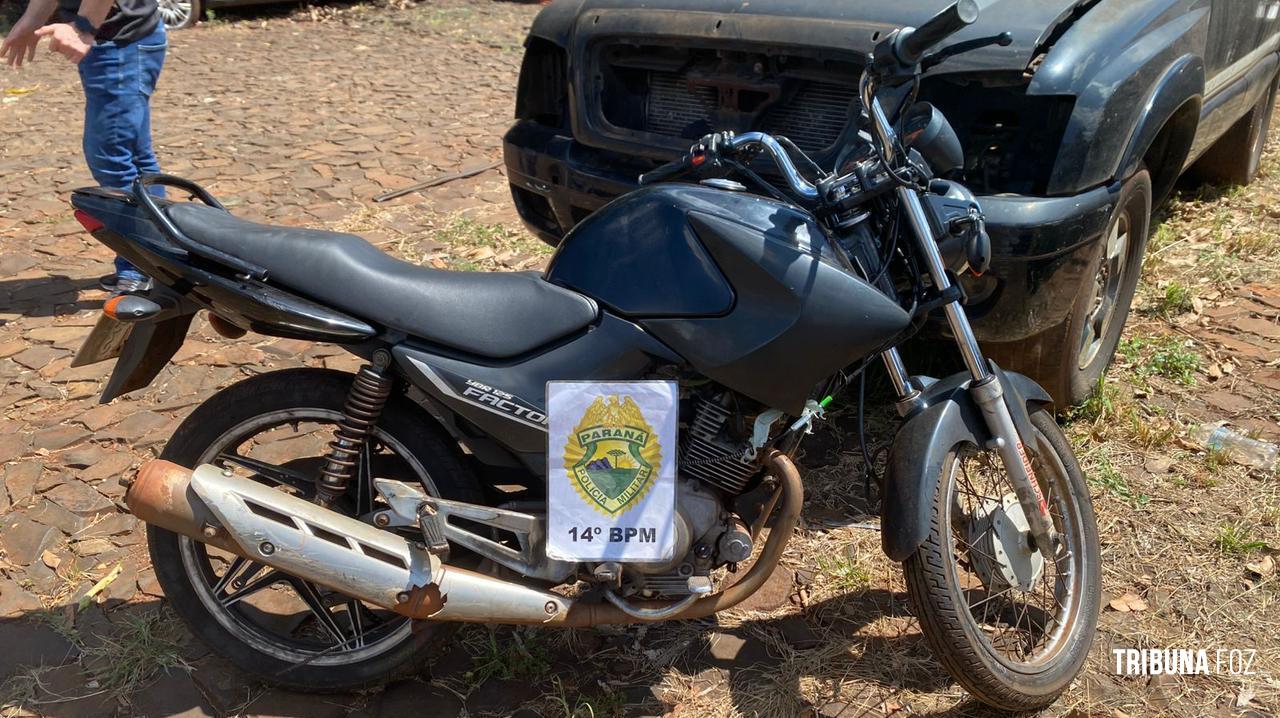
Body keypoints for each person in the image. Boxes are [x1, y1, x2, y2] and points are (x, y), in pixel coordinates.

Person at [1, 0, 165, 294]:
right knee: (135, 157)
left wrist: (84, 27)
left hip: (120, 44)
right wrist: (31, 18)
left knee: (112, 157)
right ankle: (162, 262)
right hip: (119, 43)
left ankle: (143, 268)